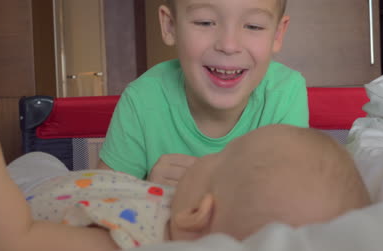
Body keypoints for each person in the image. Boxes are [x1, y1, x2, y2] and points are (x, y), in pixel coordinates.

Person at [0, 82, 369, 251]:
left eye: (224, 156)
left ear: (198, 212)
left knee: (31, 165)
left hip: (22, 206)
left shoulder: (126, 248)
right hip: (64, 183)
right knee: (47, 162)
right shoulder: (184, 217)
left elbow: (13, 243)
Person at [97, 0, 309, 184]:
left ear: (277, 34)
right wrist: (149, 193)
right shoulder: (142, 99)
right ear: (170, 25)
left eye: (253, 26)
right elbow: (100, 202)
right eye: (205, 22)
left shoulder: (286, 93)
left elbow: (292, 197)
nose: (228, 45)